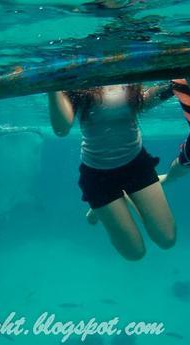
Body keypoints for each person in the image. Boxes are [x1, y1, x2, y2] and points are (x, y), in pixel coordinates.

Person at [48, 84, 176, 261]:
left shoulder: (127, 67)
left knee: (167, 240)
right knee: (135, 253)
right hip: (98, 176)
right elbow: (62, 130)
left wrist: (174, 86)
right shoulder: (78, 79)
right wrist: (52, 84)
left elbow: (142, 102)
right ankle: (103, 207)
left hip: (136, 165)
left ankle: (121, 199)